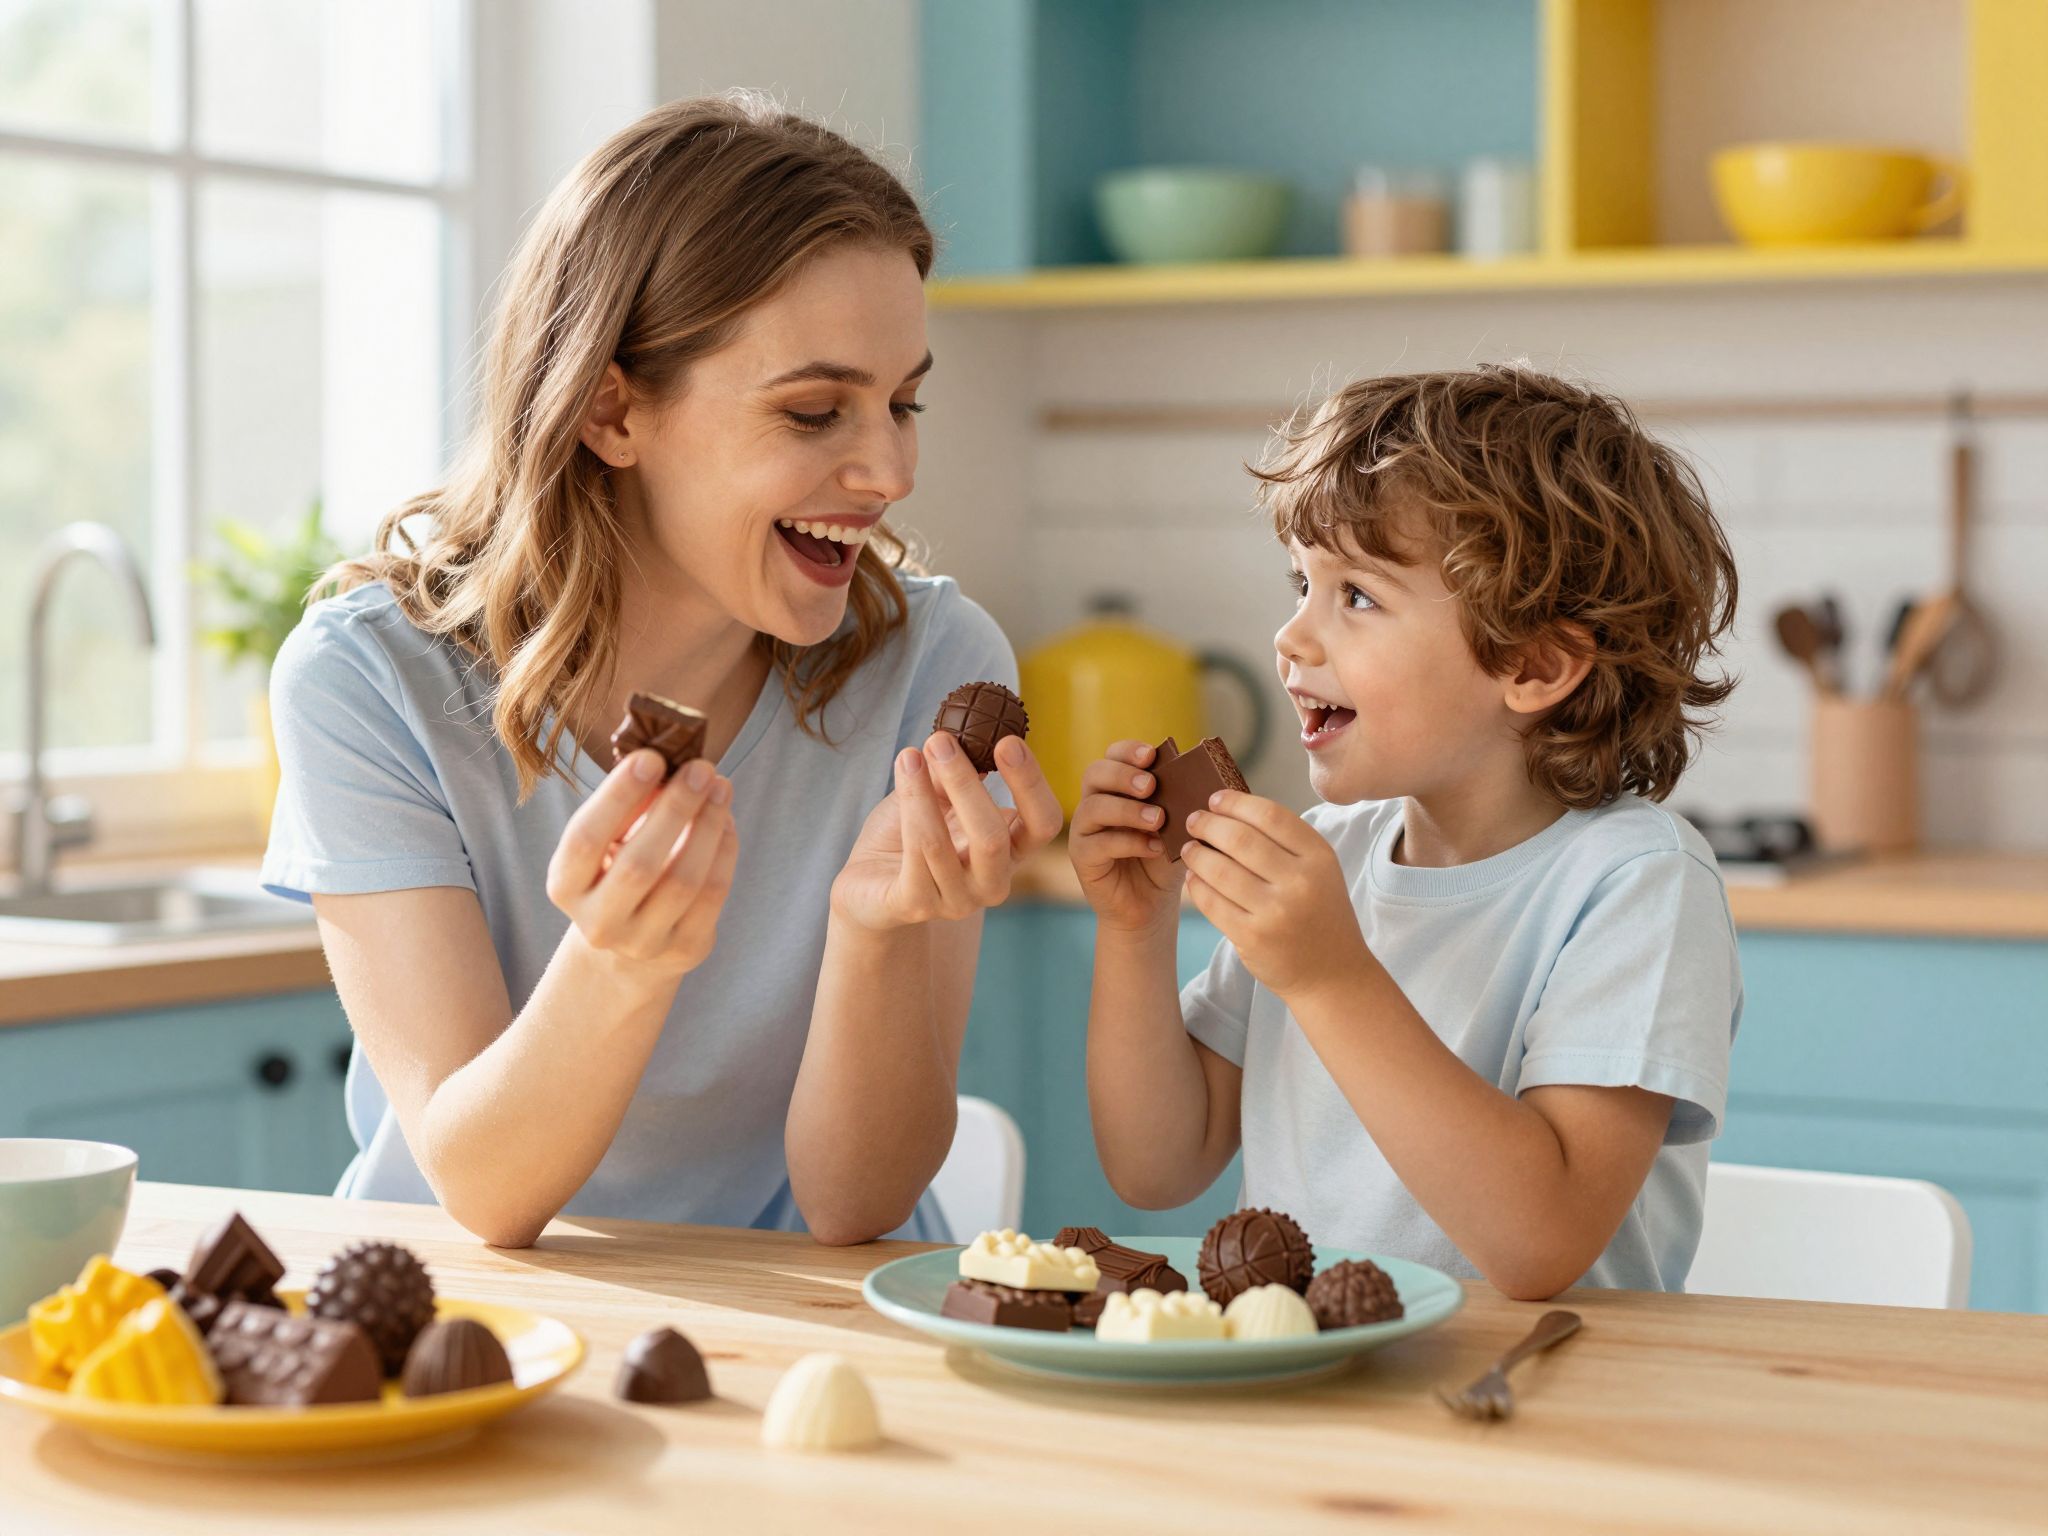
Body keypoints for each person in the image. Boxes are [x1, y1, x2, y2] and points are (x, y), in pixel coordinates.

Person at [262, 94, 1061, 1249]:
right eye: (814, 410)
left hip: (799, 1316)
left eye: (903, 402)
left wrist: (876, 929)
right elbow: (484, 1189)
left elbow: (855, 1205)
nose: (887, 469)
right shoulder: (371, 684)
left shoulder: (929, 668)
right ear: (610, 409)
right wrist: (622, 962)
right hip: (471, 1320)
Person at [1072, 366, 1743, 1298]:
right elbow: (1158, 1167)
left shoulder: (1635, 885)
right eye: (1301, 583)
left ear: (1534, 661)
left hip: (1544, 1401)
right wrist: (1134, 930)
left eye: (1357, 597)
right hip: (1316, 1399)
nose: (1292, 637)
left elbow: (1541, 1243)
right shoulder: (1331, 856)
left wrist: (1329, 975)